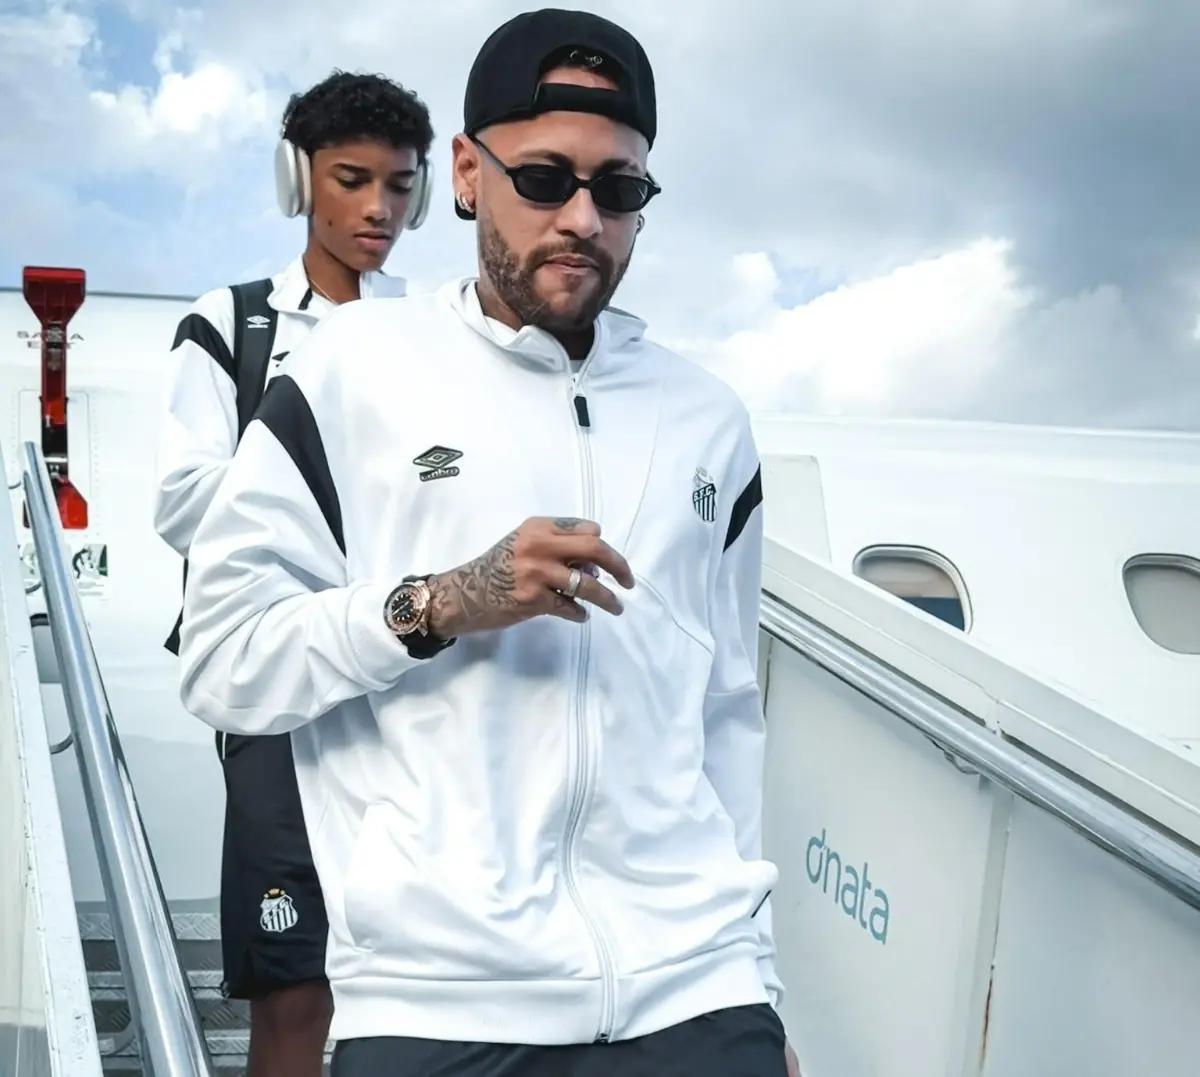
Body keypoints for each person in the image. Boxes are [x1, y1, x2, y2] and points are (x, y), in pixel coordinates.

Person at [178, 10, 801, 1076]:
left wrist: (757, 985)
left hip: (698, 997)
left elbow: (727, 720)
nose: (583, 219)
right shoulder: (352, 373)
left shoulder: (710, 422)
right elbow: (222, 658)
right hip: (441, 1003)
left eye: (619, 190)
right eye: (545, 179)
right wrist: (442, 604)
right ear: (469, 174)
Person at [153, 70, 433, 1077]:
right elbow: (182, 500)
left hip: (405, 680)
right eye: (352, 180)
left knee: (415, 979)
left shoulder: (437, 335)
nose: (378, 209)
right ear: (297, 179)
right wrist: (315, 496)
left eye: (399, 186)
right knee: (294, 986)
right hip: (277, 683)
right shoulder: (232, 323)